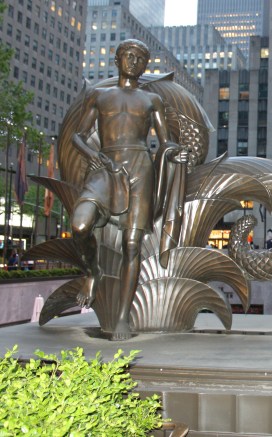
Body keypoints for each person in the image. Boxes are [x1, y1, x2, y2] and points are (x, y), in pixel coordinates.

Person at [70, 39, 188, 341]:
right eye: (129, 56)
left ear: (145, 65)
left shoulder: (152, 100)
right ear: (117, 60)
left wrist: (174, 153)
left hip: (140, 168)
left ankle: (123, 317)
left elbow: (165, 141)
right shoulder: (99, 96)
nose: (134, 62)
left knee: (132, 243)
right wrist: (92, 155)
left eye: (140, 58)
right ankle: (92, 271)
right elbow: (78, 136)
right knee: (80, 224)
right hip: (105, 166)